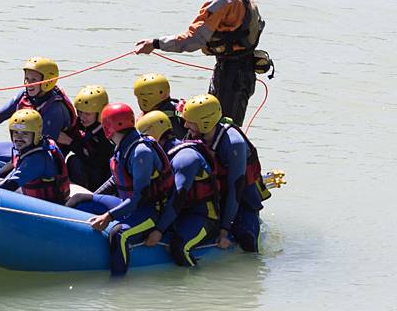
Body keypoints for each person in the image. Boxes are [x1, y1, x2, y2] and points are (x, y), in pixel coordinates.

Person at [133, 0, 266, 126]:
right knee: (220, 123)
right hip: (243, 70)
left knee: (218, 126)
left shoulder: (221, 1)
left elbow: (192, 39)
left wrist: (156, 44)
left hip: (231, 74)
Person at [73, 103, 174, 275]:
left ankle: (118, 283)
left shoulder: (140, 152)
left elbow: (138, 197)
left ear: (107, 128)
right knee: (79, 200)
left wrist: (108, 216)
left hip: (150, 212)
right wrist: (95, 196)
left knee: (119, 234)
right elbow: (115, 180)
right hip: (128, 205)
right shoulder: (123, 145)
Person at [180, 94, 270, 252]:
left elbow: (236, 190)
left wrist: (224, 230)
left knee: (248, 241)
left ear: (205, 123)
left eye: (190, 122)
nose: (186, 125)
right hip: (214, 196)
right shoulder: (195, 134)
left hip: (241, 200)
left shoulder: (234, 145)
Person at [135, 111, 220, 267]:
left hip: (202, 216)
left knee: (179, 247)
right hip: (180, 213)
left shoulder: (185, 159)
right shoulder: (162, 154)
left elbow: (177, 199)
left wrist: (159, 230)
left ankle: (193, 284)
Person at [0, 109, 70, 204]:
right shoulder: (39, 146)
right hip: (34, 195)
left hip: (43, 204)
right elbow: (13, 173)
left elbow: (9, 185)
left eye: (25, 133)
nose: (19, 137)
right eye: (15, 132)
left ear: (36, 134)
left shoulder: (36, 159)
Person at [57, 84, 114, 191]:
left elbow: (97, 163)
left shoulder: (106, 134)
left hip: (99, 178)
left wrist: (70, 142)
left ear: (99, 113)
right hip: (87, 171)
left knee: (74, 161)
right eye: (80, 112)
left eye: (87, 114)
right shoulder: (79, 124)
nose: (82, 117)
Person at [133, 73, 187, 139]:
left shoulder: (174, 113)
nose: (140, 100)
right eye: (138, 96)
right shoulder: (176, 108)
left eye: (147, 95)